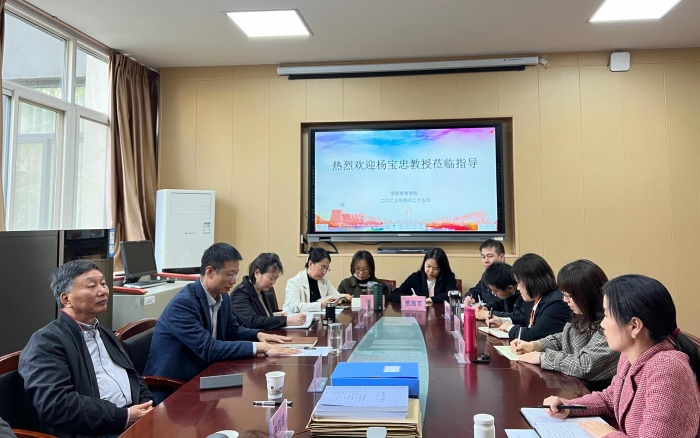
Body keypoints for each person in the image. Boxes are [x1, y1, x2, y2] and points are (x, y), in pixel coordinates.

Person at [542, 274, 700, 438]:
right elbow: (611, 398)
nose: (602, 324)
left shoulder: (666, 368)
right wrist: (568, 406)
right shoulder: (629, 355)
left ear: (634, 325)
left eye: (607, 315)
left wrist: (608, 434)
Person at [144, 243, 298, 400]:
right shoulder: (184, 304)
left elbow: (232, 331)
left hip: (205, 375)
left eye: (236, 274)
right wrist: (259, 347)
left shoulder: (223, 297)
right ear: (210, 272)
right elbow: (208, 348)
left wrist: (258, 335)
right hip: (174, 387)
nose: (234, 281)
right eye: (230, 274)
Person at [18, 260, 154, 438]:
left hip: (132, 421)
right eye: (92, 286)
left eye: (103, 284)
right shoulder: (46, 342)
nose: (103, 291)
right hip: (94, 431)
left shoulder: (105, 333)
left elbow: (132, 376)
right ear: (66, 299)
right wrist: (124, 416)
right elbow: (56, 405)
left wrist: (147, 405)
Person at [510, 260, 619, 386]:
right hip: (575, 387)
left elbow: (585, 365)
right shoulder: (583, 315)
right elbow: (564, 337)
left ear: (587, 295)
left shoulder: (609, 325)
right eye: (564, 295)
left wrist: (543, 357)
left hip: (594, 391)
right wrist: (534, 345)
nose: (564, 300)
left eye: (568, 296)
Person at [491, 253, 569, 341]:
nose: (518, 288)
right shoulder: (534, 298)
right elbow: (525, 320)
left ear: (531, 281)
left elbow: (534, 335)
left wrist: (510, 328)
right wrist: (503, 321)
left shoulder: (556, 303)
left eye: (519, 282)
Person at [230, 253, 307, 329]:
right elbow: (253, 321)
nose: (273, 282)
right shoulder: (240, 293)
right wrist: (287, 321)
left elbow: (265, 317)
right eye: (271, 278)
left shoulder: (260, 290)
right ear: (257, 273)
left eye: (275, 279)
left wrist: (279, 317)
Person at [283, 248, 351, 313]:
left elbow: (334, 295)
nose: (324, 272)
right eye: (322, 267)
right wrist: (320, 305)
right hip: (296, 319)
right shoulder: (294, 282)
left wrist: (341, 297)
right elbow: (294, 306)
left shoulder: (323, 280)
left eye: (327, 269)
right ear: (310, 264)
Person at [390, 248, 457, 304]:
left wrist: (431, 299)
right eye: (428, 266)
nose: (431, 271)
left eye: (436, 268)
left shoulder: (448, 277)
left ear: (442, 268)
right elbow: (395, 295)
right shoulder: (416, 277)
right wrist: (409, 298)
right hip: (419, 314)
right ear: (424, 263)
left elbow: (452, 295)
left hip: (440, 313)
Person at [464, 239, 506, 308]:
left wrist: (487, 310)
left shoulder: (509, 276)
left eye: (490, 256)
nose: (486, 261)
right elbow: (477, 290)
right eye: (483, 257)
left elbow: (502, 305)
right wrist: (469, 297)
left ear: (501, 257)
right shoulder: (486, 275)